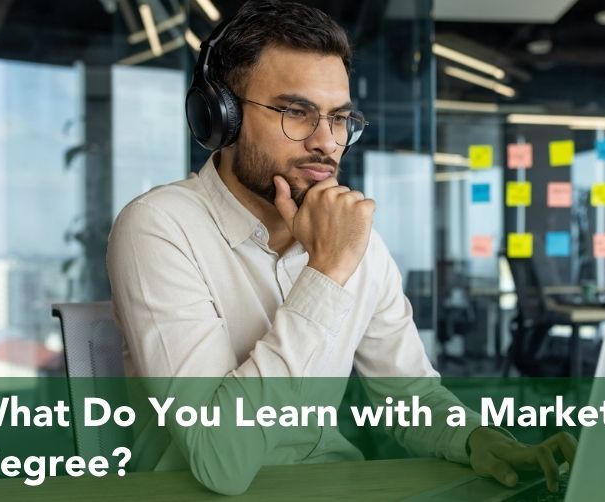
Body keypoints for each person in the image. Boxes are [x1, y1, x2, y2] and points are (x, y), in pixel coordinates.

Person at [107, 0, 574, 495]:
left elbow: (409, 395)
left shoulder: (357, 242)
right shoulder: (160, 227)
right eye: (296, 112)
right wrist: (326, 273)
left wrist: (477, 439)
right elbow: (221, 460)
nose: (327, 142)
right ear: (221, 117)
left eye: (339, 119)